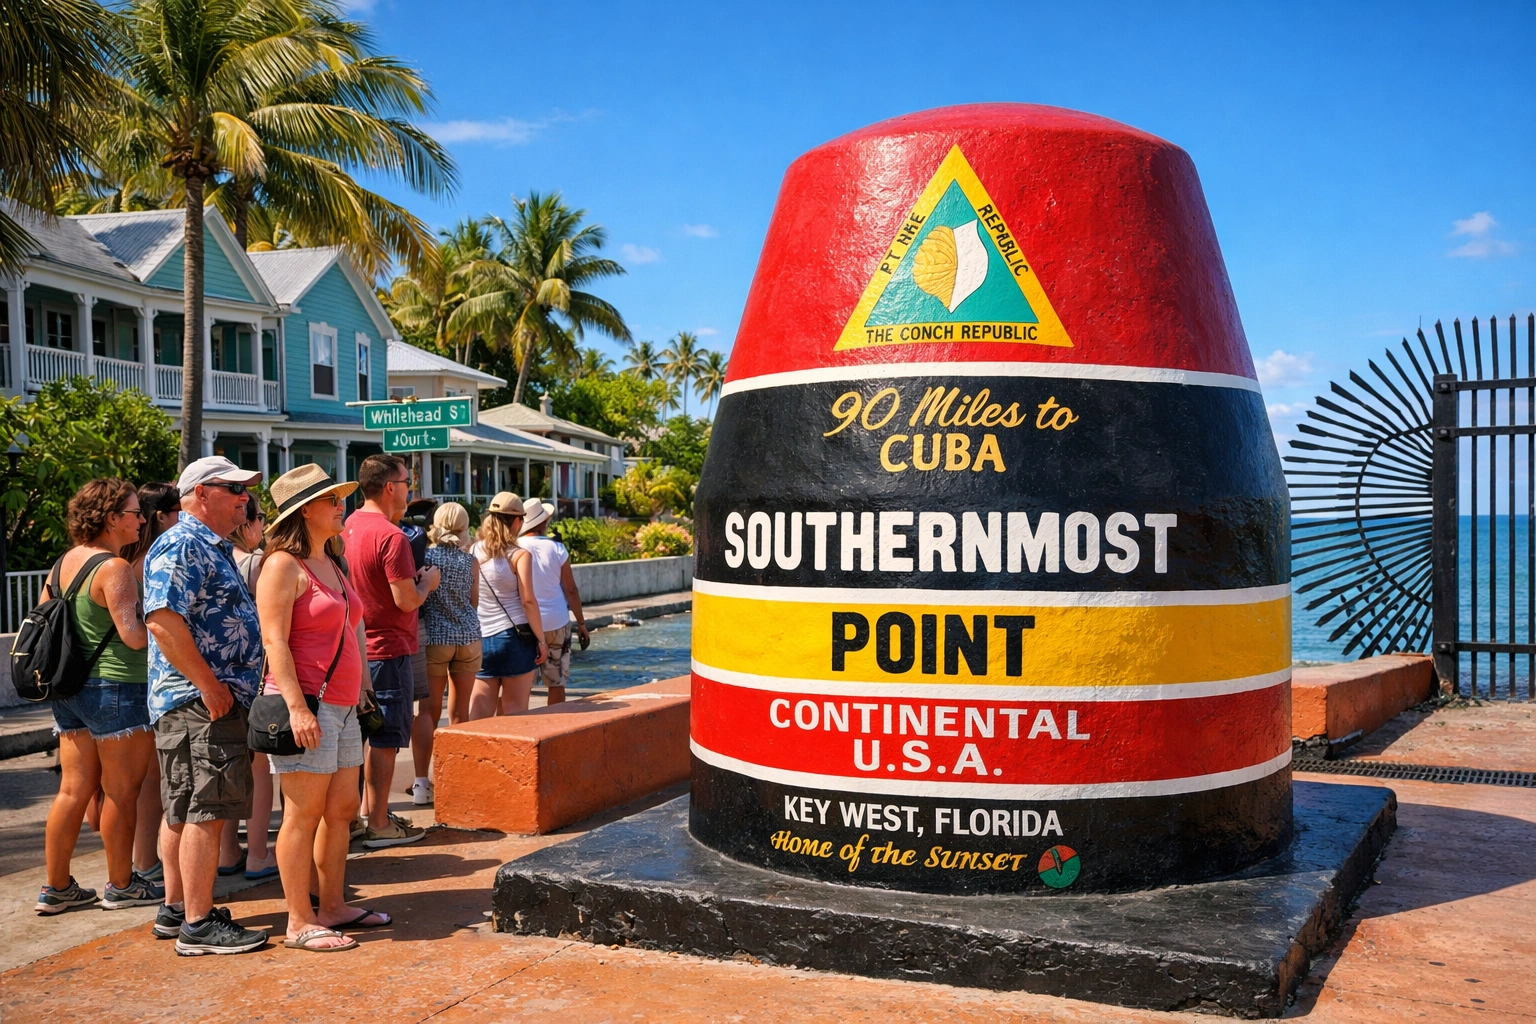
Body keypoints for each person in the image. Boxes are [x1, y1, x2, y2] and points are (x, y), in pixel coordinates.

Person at [258, 465, 389, 952]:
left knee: (341, 809)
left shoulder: (332, 562)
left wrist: (364, 689)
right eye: (332, 499)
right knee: (303, 812)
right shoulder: (281, 566)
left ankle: (332, 905)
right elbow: (274, 641)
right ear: (304, 510)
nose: (341, 505)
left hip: (344, 705)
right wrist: (296, 707)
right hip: (306, 704)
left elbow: (351, 628)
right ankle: (298, 920)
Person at [143, 456, 268, 955]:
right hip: (201, 701)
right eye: (233, 488)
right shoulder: (185, 543)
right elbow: (162, 621)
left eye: (244, 490)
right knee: (207, 808)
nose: (244, 497)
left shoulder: (205, 544)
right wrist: (212, 687)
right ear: (199, 494)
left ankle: (178, 909)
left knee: (183, 808)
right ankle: (197, 923)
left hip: (194, 700)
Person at [34, 479, 160, 914]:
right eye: (132, 512)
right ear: (111, 519)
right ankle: (122, 884)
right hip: (117, 689)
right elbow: (134, 636)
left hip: (68, 689)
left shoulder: (61, 564)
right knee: (122, 794)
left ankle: (56, 888)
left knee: (73, 790)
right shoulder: (114, 568)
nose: (140, 520)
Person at [342, 455, 438, 848]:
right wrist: (427, 583)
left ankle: (356, 816)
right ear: (389, 488)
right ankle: (379, 822)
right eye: (406, 482)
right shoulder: (391, 536)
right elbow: (405, 600)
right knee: (385, 739)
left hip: (355, 648)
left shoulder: (347, 525)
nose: (409, 488)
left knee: (358, 739)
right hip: (388, 648)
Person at [413, 502, 480, 803]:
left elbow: (420, 599)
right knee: (460, 711)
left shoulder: (426, 558)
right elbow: (474, 601)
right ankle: (459, 777)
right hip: (468, 637)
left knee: (427, 712)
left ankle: (421, 783)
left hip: (436, 637)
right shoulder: (471, 561)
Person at [226, 498, 276, 881]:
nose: (261, 525)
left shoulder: (223, 560)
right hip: (255, 677)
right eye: (259, 519)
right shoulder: (258, 563)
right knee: (259, 772)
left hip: (227, 679)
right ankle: (258, 853)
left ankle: (229, 851)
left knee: (230, 770)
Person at [469, 493, 547, 718]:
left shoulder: (474, 550)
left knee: (480, 713)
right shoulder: (519, 555)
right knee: (515, 711)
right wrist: (541, 640)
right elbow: (528, 601)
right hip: (515, 639)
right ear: (516, 521)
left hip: (482, 637)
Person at [517, 500, 591, 705]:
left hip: (525, 623)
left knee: (522, 684)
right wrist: (581, 624)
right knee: (556, 682)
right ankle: (554, 727)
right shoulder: (557, 548)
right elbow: (570, 590)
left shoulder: (514, 547)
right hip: (556, 621)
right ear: (543, 522)